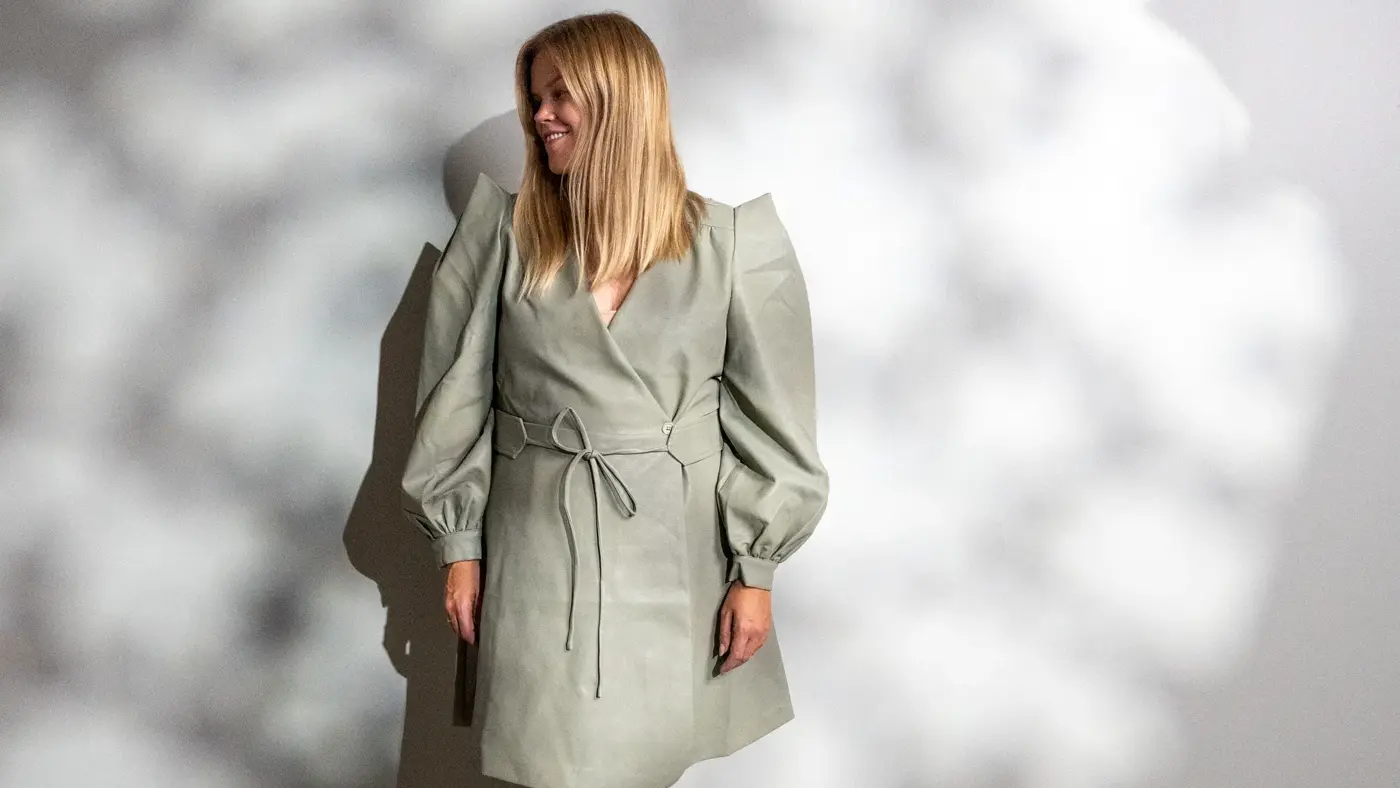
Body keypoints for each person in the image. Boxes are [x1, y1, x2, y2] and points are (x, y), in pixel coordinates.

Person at [400, 11, 829, 788]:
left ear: (620, 101)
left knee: (646, 765)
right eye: (535, 98)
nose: (541, 116)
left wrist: (755, 570)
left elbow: (775, 425)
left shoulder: (732, 245)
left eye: (560, 95)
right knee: (541, 761)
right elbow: (452, 401)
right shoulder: (501, 239)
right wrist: (457, 545)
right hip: (536, 549)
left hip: (678, 557)